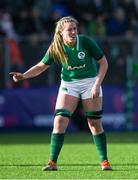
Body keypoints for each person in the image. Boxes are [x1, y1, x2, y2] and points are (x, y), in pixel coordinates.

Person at [10, 16, 112, 171]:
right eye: (69, 30)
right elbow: (41, 66)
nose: (73, 32)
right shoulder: (56, 47)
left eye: (74, 29)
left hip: (90, 82)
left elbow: (103, 63)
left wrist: (97, 84)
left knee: (94, 123)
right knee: (59, 121)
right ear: (61, 33)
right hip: (69, 84)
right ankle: (52, 163)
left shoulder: (85, 42)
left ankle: (105, 162)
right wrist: (24, 75)